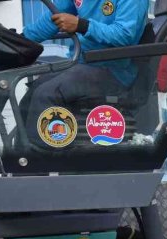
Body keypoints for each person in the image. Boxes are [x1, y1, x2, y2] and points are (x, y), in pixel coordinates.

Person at [21, 0, 149, 144]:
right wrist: (19, 40)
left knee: (46, 95)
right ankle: (17, 157)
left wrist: (82, 25)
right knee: (32, 93)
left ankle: (39, 160)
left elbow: (125, 34)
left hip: (113, 69)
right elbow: (53, 18)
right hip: (82, 63)